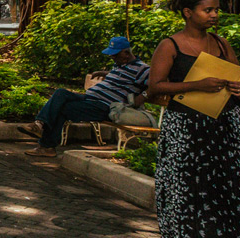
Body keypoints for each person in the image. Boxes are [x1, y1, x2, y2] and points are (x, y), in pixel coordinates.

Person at [147, 0, 240, 238]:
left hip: (225, 124)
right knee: (185, 184)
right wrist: (196, 85)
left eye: (216, 10)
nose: (214, 15)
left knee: (229, 183)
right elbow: (154, 89)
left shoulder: (221, 44)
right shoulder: (170, 45)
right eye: (207, 10)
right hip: (185, 125)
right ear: (188, 13)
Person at [22, 36, 150, 157]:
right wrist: (105, 73)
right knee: (60, 93)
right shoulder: (120, 64)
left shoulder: (142, 69)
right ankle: (39, 125)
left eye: (115, 54)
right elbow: (121, 76)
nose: (112, 57)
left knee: (63, 109)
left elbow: (154, 85)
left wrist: (142, 96)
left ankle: (46, 145)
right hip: (89, 97)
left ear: (126, 53)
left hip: (105, 106)